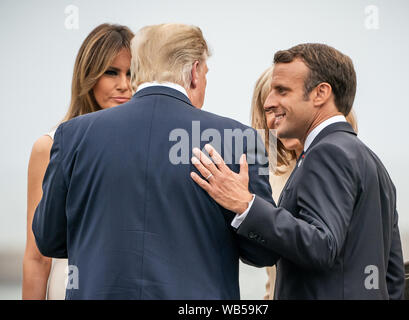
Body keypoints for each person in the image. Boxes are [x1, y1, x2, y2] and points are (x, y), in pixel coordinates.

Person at [31, 23, 278, 299]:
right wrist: (244, 206)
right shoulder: (238, 140)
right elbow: (264, 252)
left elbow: (49, 239)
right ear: (195, 72)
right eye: (206, 73)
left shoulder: (72, 135)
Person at [190, 43, 405, 299]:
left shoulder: (327, 153)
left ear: (321, 93)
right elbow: (392, 277)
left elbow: (322, 245)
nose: (269, 102)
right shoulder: (371, 160)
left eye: (281, 91)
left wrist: (246, 204)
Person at [23, 23, 134, 300]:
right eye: (111, 72)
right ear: (88, 75)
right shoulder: (48, 147)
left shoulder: (148, 147)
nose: (124, 84)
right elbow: (37, 258)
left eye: (132, 73)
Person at [251, 66, 359, 299]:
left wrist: (246, 207)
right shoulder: (266, 179)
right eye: (268, 109)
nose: (276, 117)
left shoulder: (344, 165)